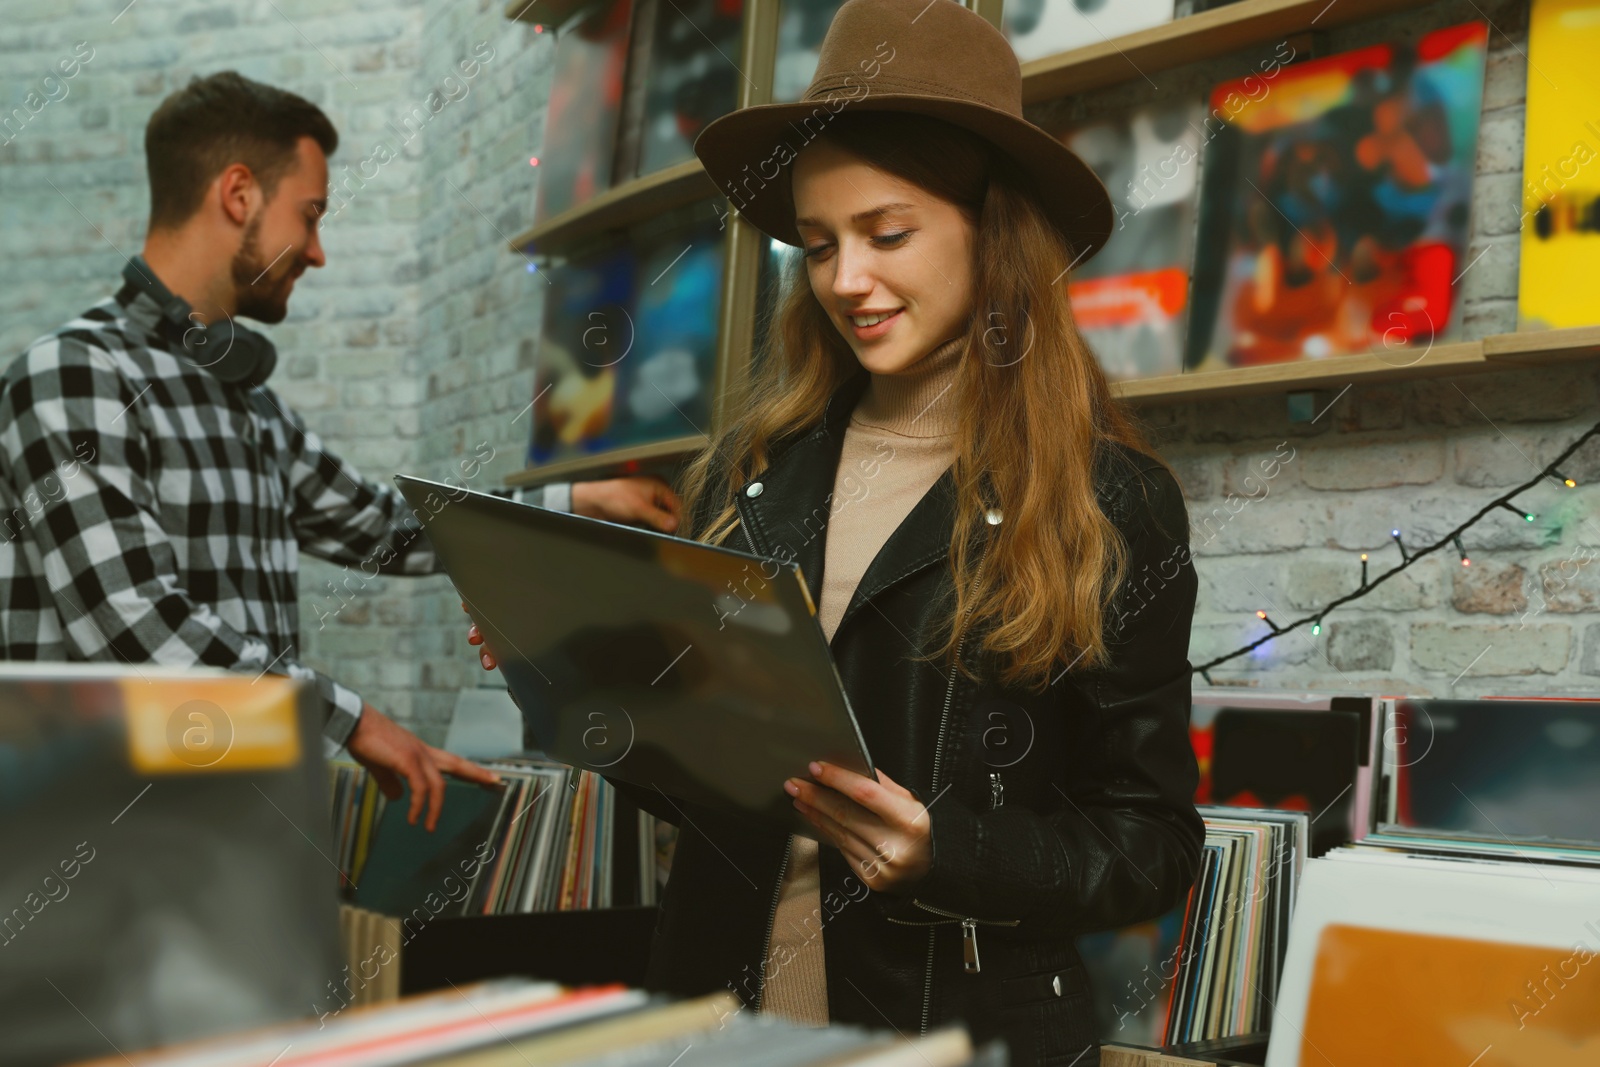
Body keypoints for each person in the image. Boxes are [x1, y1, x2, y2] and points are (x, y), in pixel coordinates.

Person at [469, 0, 1204, 1061]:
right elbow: (707, 781)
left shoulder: (1109, 499)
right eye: (818, 247)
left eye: (886, 233)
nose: (846, 280)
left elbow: (1150, 843)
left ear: (992, 232)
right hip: (723, 1013)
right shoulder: (749, 468)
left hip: (958, 1028)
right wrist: (571, 679)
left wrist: (948, 852)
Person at [0, 71, 682, 832]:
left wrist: (577, 504)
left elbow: (385, 527)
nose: (318, 251)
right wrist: (352, 718)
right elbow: (131, 624)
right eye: (311, 214)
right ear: (238, 195)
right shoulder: (71, 374)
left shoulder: (246, 401)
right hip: (96, 847)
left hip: (228, 831)